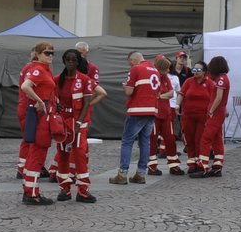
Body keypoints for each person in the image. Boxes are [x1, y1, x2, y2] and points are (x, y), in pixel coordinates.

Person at [53, 48, 105, 203]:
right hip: (63, 122)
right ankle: (64, 189)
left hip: (79, 122)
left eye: (73, 60)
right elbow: (52, 99)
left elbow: (87, 104)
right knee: (62, 154)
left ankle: (83, 190)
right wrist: (56, 109)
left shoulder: (84, 80)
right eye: (68, 60)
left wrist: (79, 123)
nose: (70, 62)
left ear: (78, 62)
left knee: (80, 155)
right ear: (63, 61)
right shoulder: (57, 80)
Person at [15, 42, 57, 204]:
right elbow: (26, 86)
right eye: (47, 53)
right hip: (40, 115)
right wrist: (39, 100)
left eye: (52, 53)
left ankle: (30, 189)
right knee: (37, 153)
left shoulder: (42, 69)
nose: (50, 56)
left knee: (35, 152)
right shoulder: (38, 69)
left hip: (40, 114)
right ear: (38, 54)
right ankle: (32, 193)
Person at [111, 50, 162, 185]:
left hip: (137, 109)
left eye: (129, 63)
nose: (130, 65)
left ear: (133, 60)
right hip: (152, 109)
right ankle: (141, 173)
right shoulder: (155, 70)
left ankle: (122, 174)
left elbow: (129, 91)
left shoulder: (136, 68)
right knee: (145, 141)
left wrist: (125, 87)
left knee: (127, 141)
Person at [198, 55, 230, 177]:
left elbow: (219, 97)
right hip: (219, 112)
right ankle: (217, 166)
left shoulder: (221, 79)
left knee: (205, 139)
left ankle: (203, 167)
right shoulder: (223, 78)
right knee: (217, 139)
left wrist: (211, 110)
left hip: (216, 113)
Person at [150, 56, 181, 176]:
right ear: (161, 68)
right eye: (167, 68)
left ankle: (174, 165)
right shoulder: (154, 78)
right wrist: (163, 95)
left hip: (166, 113)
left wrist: (160, 96)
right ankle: (152, 166)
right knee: (152, 140)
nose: (169, 70)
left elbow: (171, 93)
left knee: (170, 139)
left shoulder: (166, 78)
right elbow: (154, 93)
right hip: (154, 114)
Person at [181, 63, 214, 174]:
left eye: (199, 69)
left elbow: (214, 98)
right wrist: (176, 105)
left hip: (203, 116)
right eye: (194, 69)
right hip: (188, 115)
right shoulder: (188, 81)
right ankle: (191, 163)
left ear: (204, 71)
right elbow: (181, 94)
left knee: (199, 139)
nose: (196, 71)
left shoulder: (209, 83)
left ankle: (200, 163)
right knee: (189, 140)